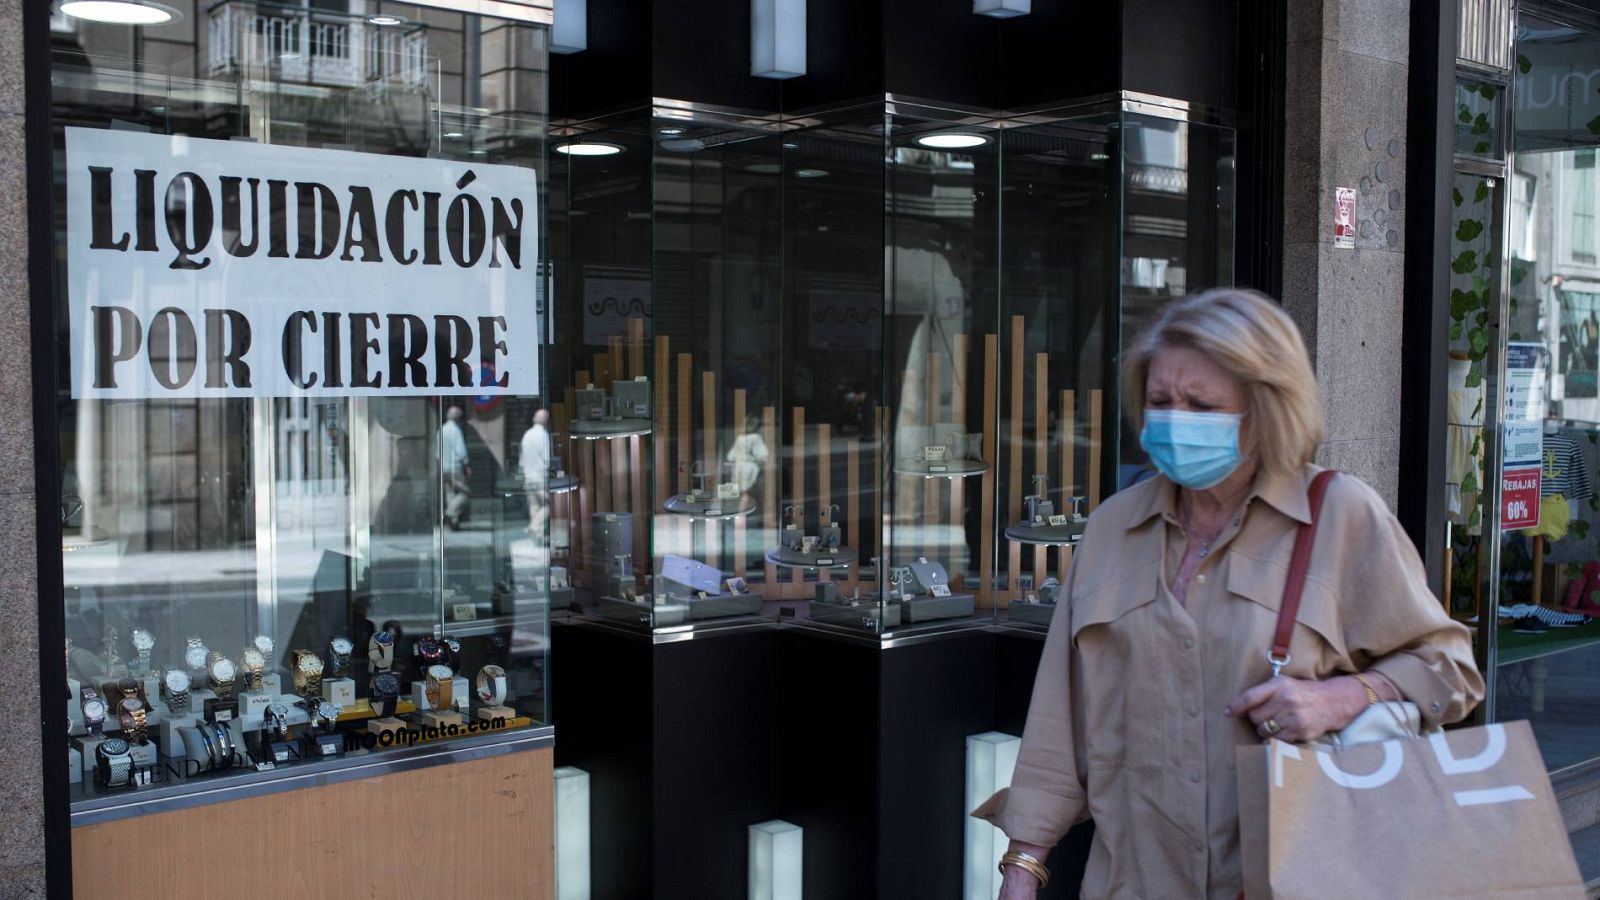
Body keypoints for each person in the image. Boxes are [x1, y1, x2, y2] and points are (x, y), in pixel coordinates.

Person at [975, 289, 1484, 899]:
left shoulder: (1341, 516)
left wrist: (1345, 696)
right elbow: (1061, 721)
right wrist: (1022, 869)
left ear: (1265, 408)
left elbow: (1449, 669)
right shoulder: (1113, 528)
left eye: (1201, 403)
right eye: (1160, 402)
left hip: (1295, 880)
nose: (1174, 420)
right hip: (1132, 883)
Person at [519, 408, 552, 538]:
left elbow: (521, 460)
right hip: (539, 477)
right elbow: (546, 459)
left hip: (528, 477)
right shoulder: (543, 435)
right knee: (547, 505)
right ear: (546, 421)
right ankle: (534, 526)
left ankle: (536, 537)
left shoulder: (526, 434)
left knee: (534, 506)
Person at [440, 405, 471, 530]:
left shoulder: (441, 430)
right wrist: (467, 464)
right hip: (455, 468)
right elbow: (461, 451)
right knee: (465, 493)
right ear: (458, 418)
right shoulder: (455, 431)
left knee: (450, 493)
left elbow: (438, 453)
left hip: (444, 467)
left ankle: (454, 523)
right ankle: (450, 513)